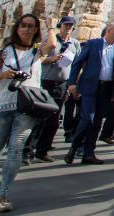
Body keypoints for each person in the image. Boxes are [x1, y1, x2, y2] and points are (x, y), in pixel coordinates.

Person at [0, 12, 56, 213]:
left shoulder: (38, 51)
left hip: (27, 107)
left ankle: (3, 193)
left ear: (36, 30)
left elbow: (53, 45)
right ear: (17, 28)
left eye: (31, 26)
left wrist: (51, 26)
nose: (27, 29)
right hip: (3, 106)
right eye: (24, 25)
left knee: (15, 150)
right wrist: (3, 74)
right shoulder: (4, 52)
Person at [65, 22, 114, 166]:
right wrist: (72, 83)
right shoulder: (93, 44)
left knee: (97, 122)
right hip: (90, 87)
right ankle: (74, 146)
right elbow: (77, 63)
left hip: (107, 88)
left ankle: (89, 153)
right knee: (88, 118)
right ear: (108, 31)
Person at [23, 15, 81, 163]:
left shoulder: (75, 44)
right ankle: (27, 152)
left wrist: (72, 85)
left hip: (62, 83)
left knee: (54, 120)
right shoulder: (49, 40)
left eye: (70, 26)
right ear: (60, 26)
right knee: (39, 118)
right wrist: (51, 59)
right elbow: (38, 58)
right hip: (46, 81)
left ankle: (43, 150)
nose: (68, 28)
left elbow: (77, 65)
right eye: (66, 25)